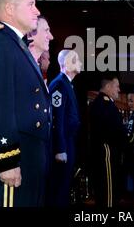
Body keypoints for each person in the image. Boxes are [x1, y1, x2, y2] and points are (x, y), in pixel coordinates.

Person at [0, 0, 52, 207]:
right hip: (14, 152)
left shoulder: (16, 45)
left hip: (29, 150)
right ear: (9, 9)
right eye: (31, 4)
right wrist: (6, 159)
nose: (37, 11)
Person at [90, 74, 134, 207]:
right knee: (108, 194)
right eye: (117, 86)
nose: (119, 90)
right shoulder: (106, 105)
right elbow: (118, 131)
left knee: (104, 192)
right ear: (108, 87)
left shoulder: (99, 103)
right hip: (107, 153)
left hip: (102, 152)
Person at [48, 50, 82, 206]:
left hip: (69, 141)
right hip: (63, 144)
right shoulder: (59, 84)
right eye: (75, 60)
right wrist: (60, 148)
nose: (80, 62)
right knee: (59, 190)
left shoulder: (67, 84)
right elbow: (57, 118)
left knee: (64, 188)